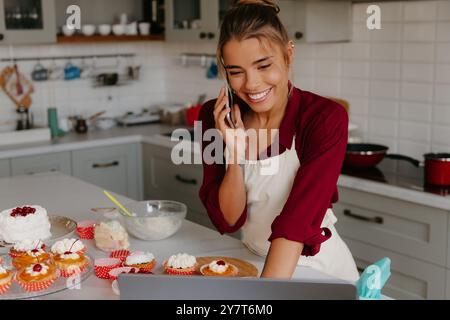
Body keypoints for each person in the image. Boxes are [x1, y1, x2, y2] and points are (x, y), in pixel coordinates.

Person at [198, 0, 359, 282]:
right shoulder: (216, 117)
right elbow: (228, 219)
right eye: (236, 72)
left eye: (263, 66)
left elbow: (296, 222)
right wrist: (234, 153)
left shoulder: (323, 118)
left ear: (288, 53)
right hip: (252, 262)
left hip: (316, 271)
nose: (251, 84)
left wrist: (265, 298)